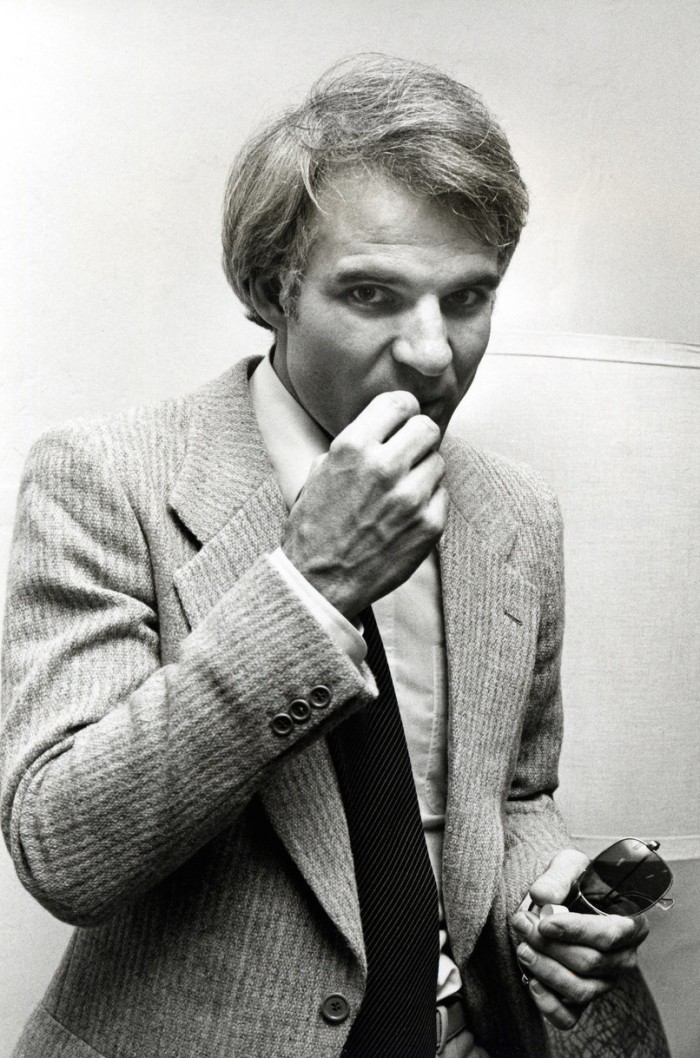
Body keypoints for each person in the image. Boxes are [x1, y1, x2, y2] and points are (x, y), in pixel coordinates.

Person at [0, 55, 668, 1058]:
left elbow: (512, 789)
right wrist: (310, 590)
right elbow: (65, 846)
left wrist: (549, 889)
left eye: (469, 296)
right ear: (272, 289)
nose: (435, 353)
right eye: (371, 294)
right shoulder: (103, 476)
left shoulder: (515, 512)